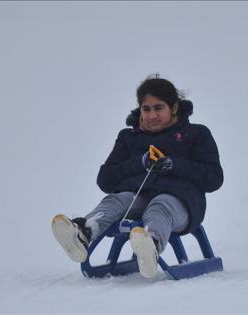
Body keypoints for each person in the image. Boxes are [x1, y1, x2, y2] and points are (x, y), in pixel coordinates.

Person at [51, 75, 223, 278]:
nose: (152, 116)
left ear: (174, 107)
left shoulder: (196, 134)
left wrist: (173, 165)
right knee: (117, 200)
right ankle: (84, 233)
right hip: (137, 199)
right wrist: (139, 163)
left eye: (158, 108)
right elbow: (105, 180)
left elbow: (213, 178)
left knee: (161, 204)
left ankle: (150, 245)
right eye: (146, 109)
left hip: (181, 203)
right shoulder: (129, 138)